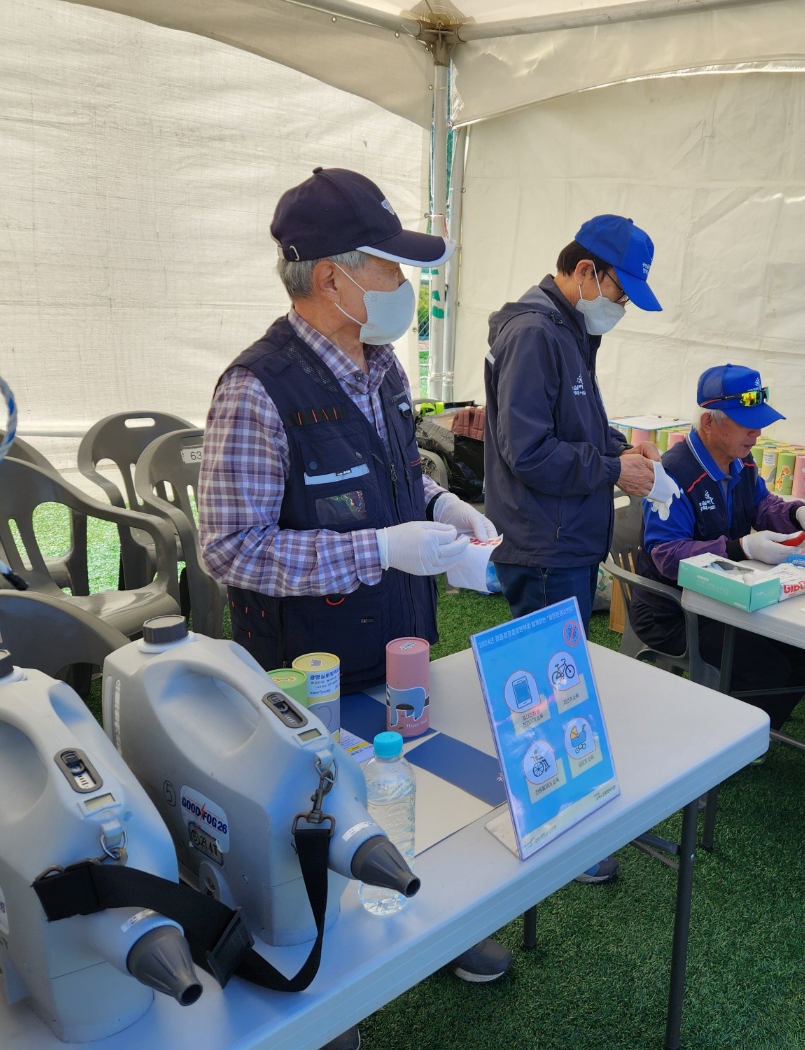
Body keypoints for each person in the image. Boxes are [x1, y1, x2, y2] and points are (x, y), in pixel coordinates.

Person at [199, 166, 510, 985]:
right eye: (389, 266)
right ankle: (322, 983)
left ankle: (431, 924)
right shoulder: (256, 390)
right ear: (332, 279)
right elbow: (230, 549)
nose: (404, 285)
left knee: (408, 788)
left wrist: (441, 506)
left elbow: (393, 477)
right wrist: (378, 549)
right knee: (311, 820)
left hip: (399, 641)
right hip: (311, 669)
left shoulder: (382, 368)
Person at [483, 214, 663, 883]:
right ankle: (556, 827)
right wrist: (614, 469)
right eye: (620, 292)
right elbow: (528, 451)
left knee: (559, 689)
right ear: (586, 272)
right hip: (545, 543)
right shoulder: (536, 332)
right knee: (543, 697)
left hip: (563, 539)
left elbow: (573, 424)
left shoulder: (566, 328)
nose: (621, 308)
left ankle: (567, 813)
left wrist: (619, 448)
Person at [629, 365, 805, 731]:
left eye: (759, 423)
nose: (757, 432)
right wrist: (740, 548)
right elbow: (667, 555)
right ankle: (734, 739)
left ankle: (759, 731)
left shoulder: (741, 459)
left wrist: (796, 513)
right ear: (709, 422)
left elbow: (761, 504)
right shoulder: (672, 473)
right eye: (746, 423)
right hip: (674, 611)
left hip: (728, 596)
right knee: (766, 667)